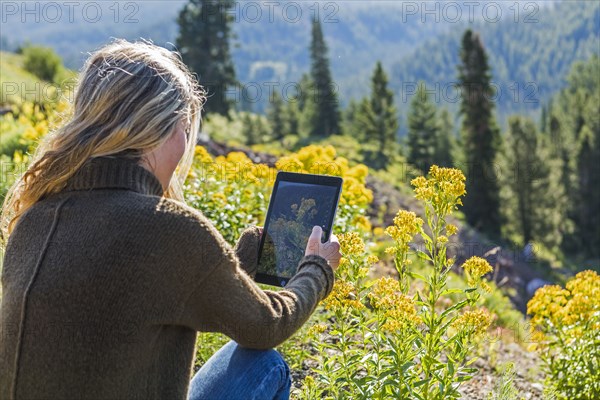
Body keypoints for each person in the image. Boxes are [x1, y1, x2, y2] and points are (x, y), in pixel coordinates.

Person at [0, 38, 340, 400]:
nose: (184, 142)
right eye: (183, 126)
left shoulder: (35, 218)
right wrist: (317, 269)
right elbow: (266, 326)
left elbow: (142, 298)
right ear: (157, 129)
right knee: (264, 365)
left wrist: (233, 264)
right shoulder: (169, 229)